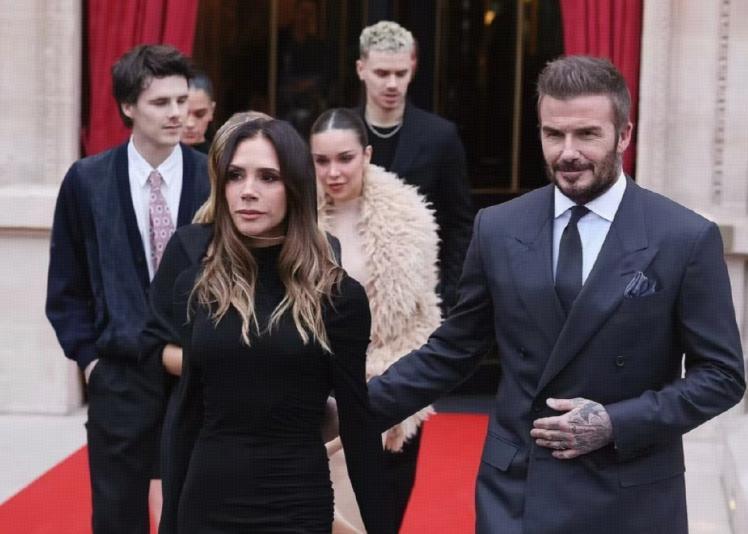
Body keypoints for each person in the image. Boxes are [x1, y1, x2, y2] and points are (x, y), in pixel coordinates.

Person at [361, 55, 746, 533]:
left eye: (587, 134)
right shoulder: (497, 228)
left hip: (631, 496)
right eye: (553, 134)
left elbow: (722, 376)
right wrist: (354, 408)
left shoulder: (683, 237)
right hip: (517, 492)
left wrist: (617, 422)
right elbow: (453, 350)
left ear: (624, 135)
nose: (567, 152)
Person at [141, 116, 390, 533]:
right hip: (207, 503)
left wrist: (380, 526)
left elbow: (357, 420)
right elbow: (187, 413)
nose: (248, 190)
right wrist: (169, 524)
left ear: (295, 187)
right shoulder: (198, 287)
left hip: (295, 504)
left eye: (268, 177)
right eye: (235, 175)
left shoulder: (337, 296)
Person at [45, 44, 209, 534]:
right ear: (128, 106)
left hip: (198, 375)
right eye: (161, 102)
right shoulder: (87, 181)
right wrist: (91, 361)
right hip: (119, 376)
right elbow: (66, 283)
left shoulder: (213, 178)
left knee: (198, 515)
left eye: (181, 100)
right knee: (117, 519)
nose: (177, 113)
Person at [311, 108, 442, 532]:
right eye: (321, 160)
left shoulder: (410, 219)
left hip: (388, 388)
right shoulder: (295, 218)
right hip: (315, 394)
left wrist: (388, 394)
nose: (333, 172)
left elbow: (421, 318)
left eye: (345, 158)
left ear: (367, 155)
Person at [355, 20, 474, 312]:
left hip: (418, 294)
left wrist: (448, 296)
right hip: (350, 288)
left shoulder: (440, 136)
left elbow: (459, 224)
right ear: (361, 69)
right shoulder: (341, 132)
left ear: (413, 68)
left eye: (401, 73)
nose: (392, 84)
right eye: (382, 73)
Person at [180, 70, 216, 153]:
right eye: (183, 114)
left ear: (212, 110)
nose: (190, 124)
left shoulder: (223, 158)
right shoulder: (154, 155)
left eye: (200, 114)